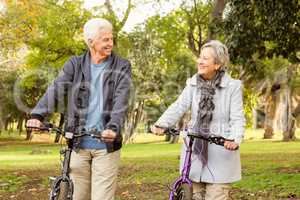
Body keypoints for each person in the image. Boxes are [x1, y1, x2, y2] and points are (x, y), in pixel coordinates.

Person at [26, 18, 132, 200]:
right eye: (105, 40)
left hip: (106, 146)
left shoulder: (122, 65)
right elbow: (57, 88)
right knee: (78, 196)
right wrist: (37, 114)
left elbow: (121, 99)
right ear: (91, 42)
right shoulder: (75, 64)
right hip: (77, 144)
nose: (110, 43)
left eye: (111, 38)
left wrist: (113, 126)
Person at [151, 40, 245, 200]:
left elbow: (237, 118)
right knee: (194, 196)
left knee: (216, 196)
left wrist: (234, 139)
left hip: (221, 149)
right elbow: (178, 106)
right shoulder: (193, 84)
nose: (199, 61)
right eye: (200, 57)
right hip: (194, 150)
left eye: (205, 58)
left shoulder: (232, 86)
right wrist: (161, 124)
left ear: (217, 64)